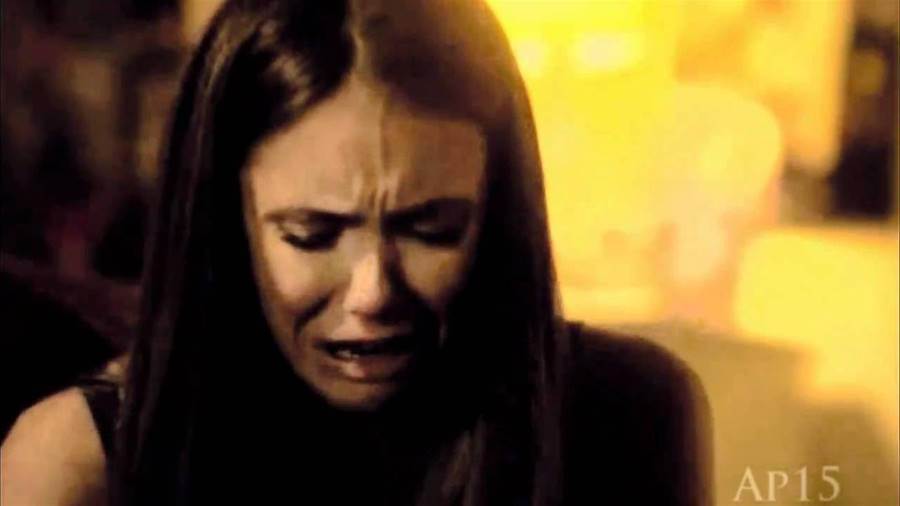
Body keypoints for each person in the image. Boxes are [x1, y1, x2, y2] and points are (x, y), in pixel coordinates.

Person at [0, 1, 712, 504]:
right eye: (311, 235)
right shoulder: (81, 461)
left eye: (432, 229)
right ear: (224, 222)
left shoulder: (627, 412)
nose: (374, 292)